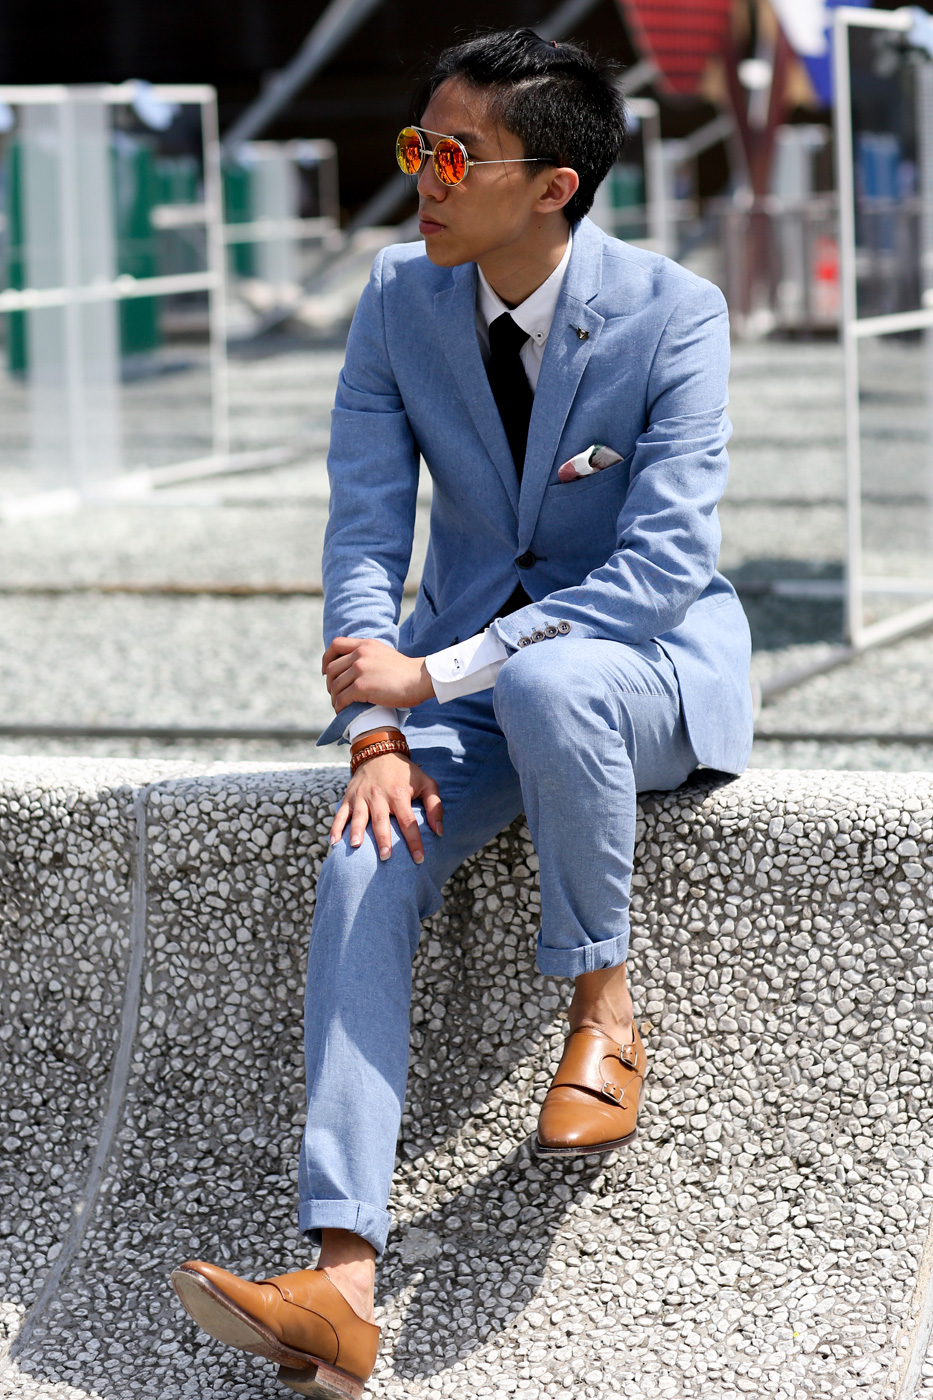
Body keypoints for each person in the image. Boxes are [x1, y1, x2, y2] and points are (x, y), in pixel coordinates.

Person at [171, 28, 754, 1400]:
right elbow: (367, 528)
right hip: (458, 682)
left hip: (642, 670)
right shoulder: (398, 297)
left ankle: (602, 1005)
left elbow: (660, 570)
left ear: (552, 186)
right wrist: (376, 732)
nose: (422, 178)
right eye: (415, 145)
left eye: (455, 154)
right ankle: (339, 1282)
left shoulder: (674, 313)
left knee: (551, 677)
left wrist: (430, 679)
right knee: (362, 859)